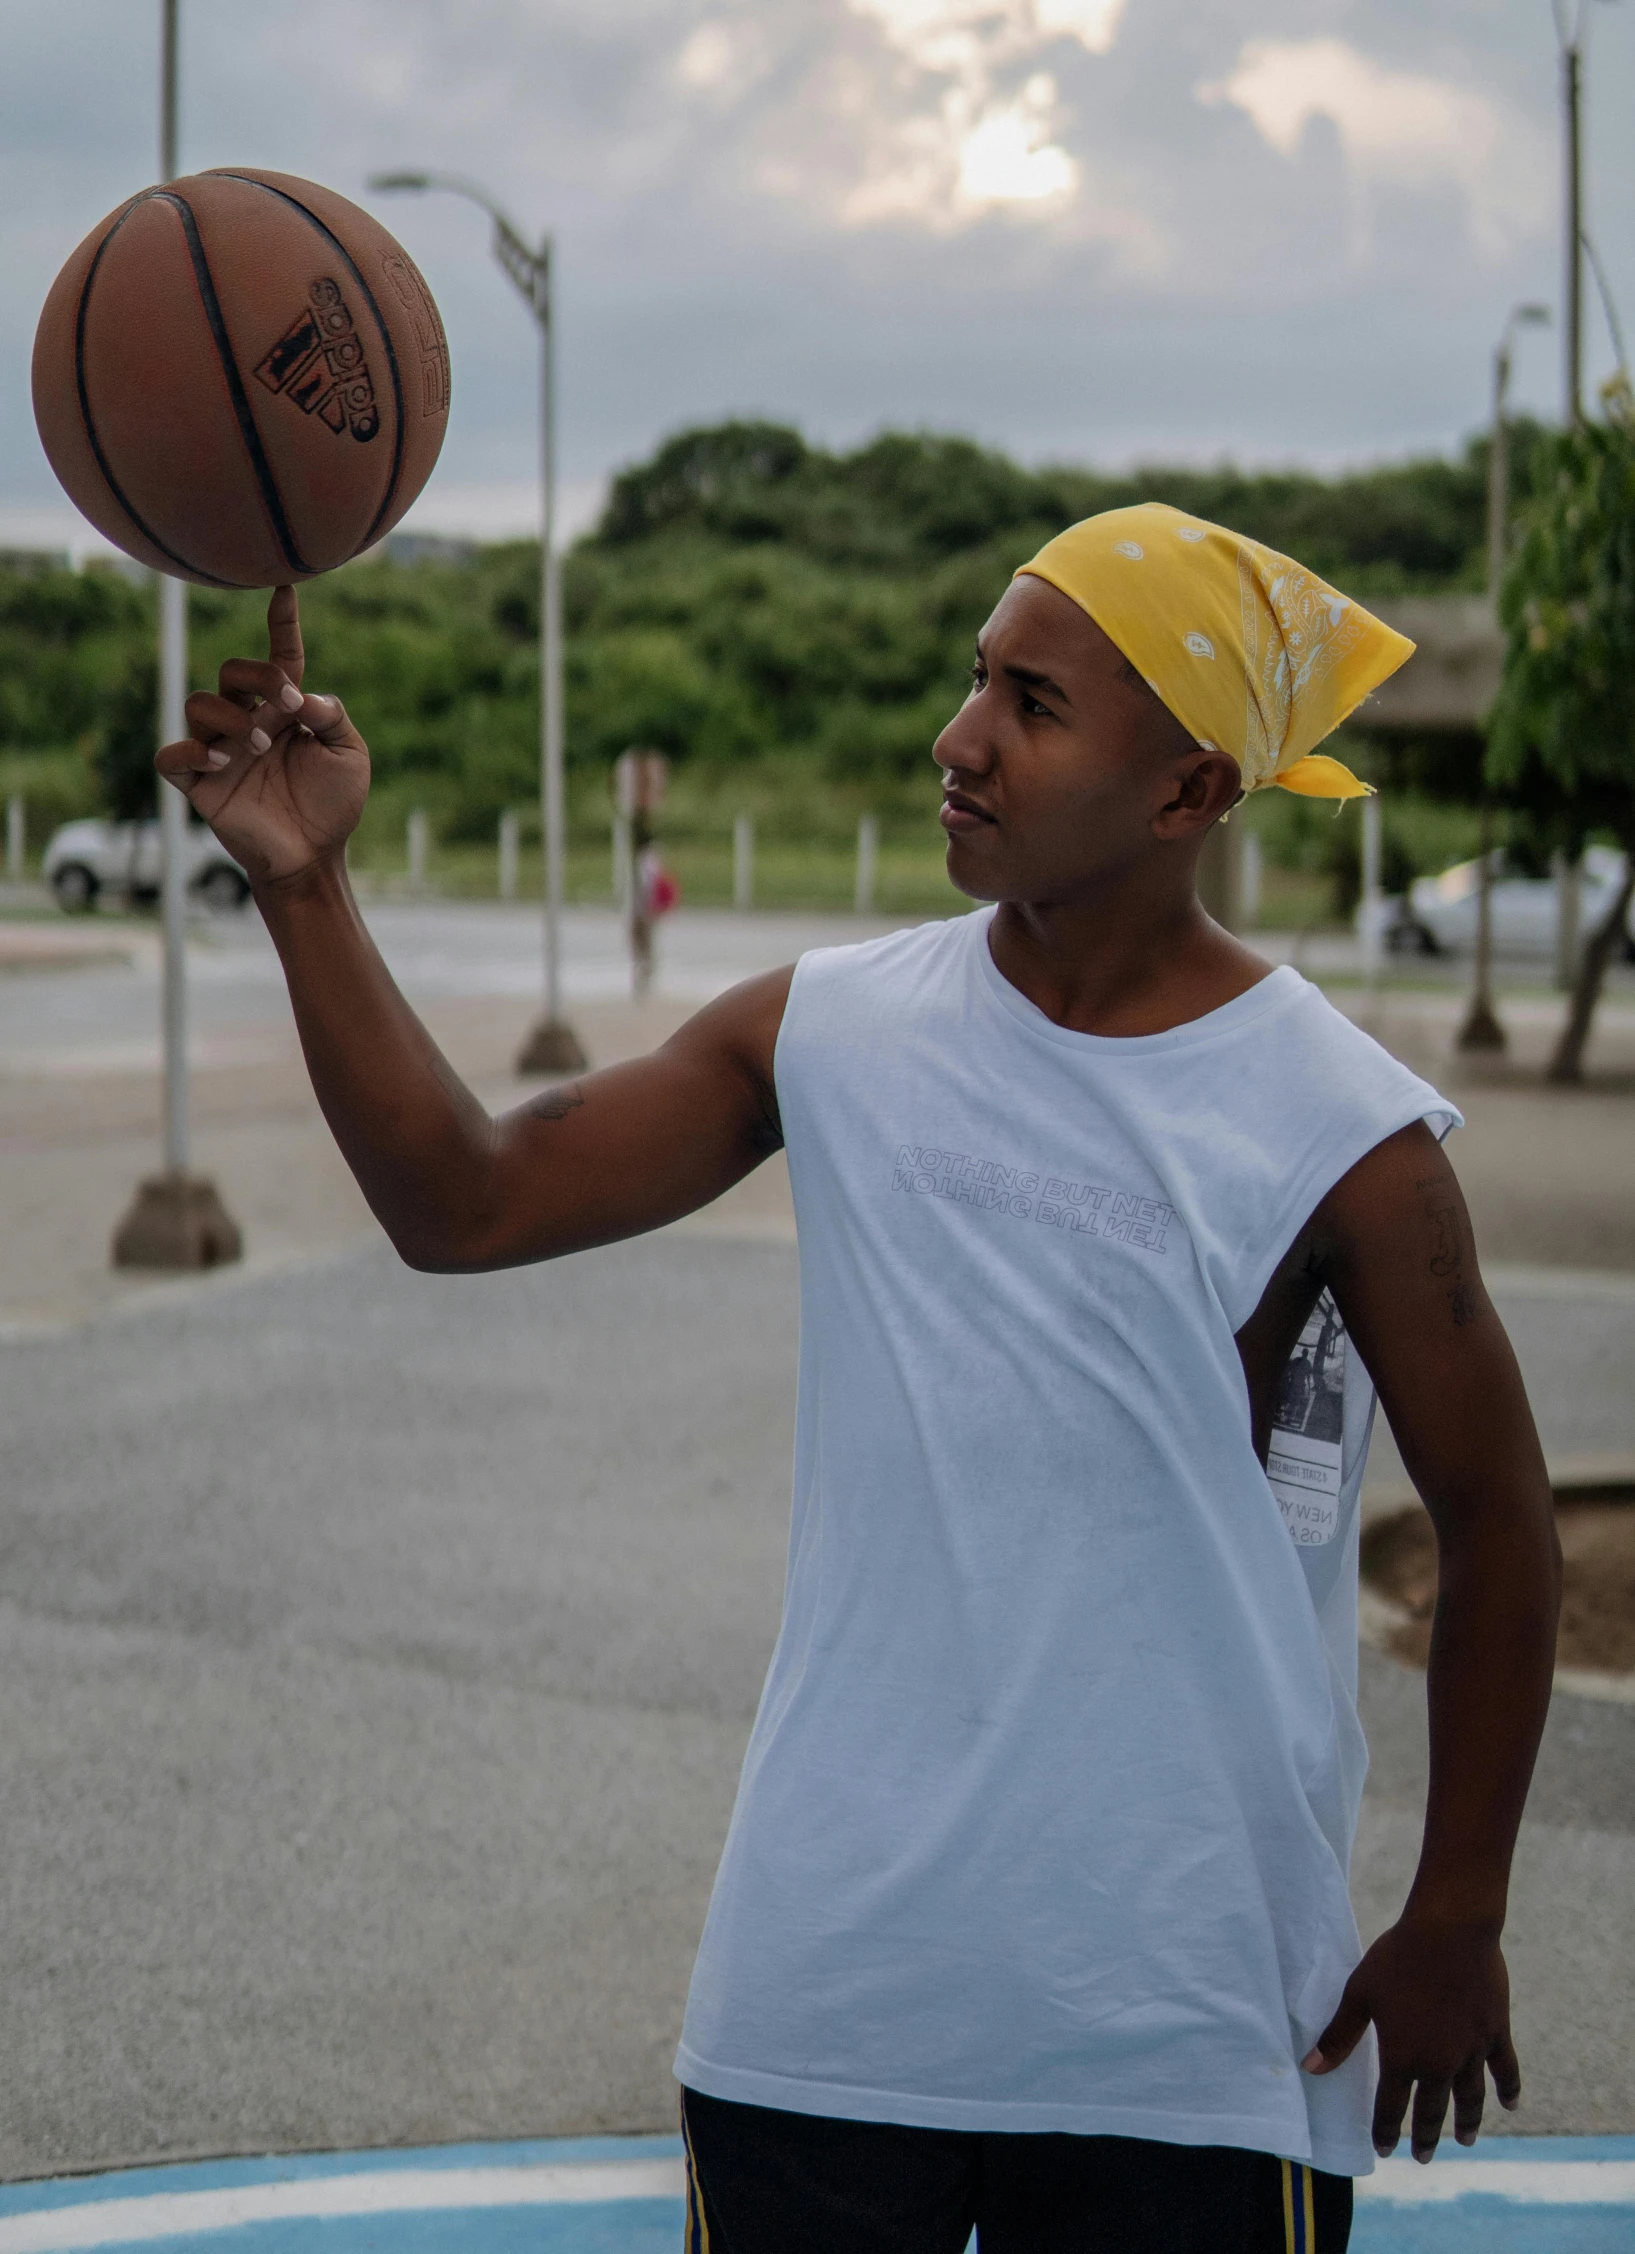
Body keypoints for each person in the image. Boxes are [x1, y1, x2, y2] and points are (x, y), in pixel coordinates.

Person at [160, 502, 1560, 2254]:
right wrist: (307, 886)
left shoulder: (1339, 1132)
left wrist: (1456, 1906)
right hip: (826, 2000)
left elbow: (1501, 1529)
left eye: (1032, 707)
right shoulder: (826, 1029)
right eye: (976, 678)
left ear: (1190, 793)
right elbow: (467, 1198)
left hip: (1184, 2025)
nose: (957, 736)